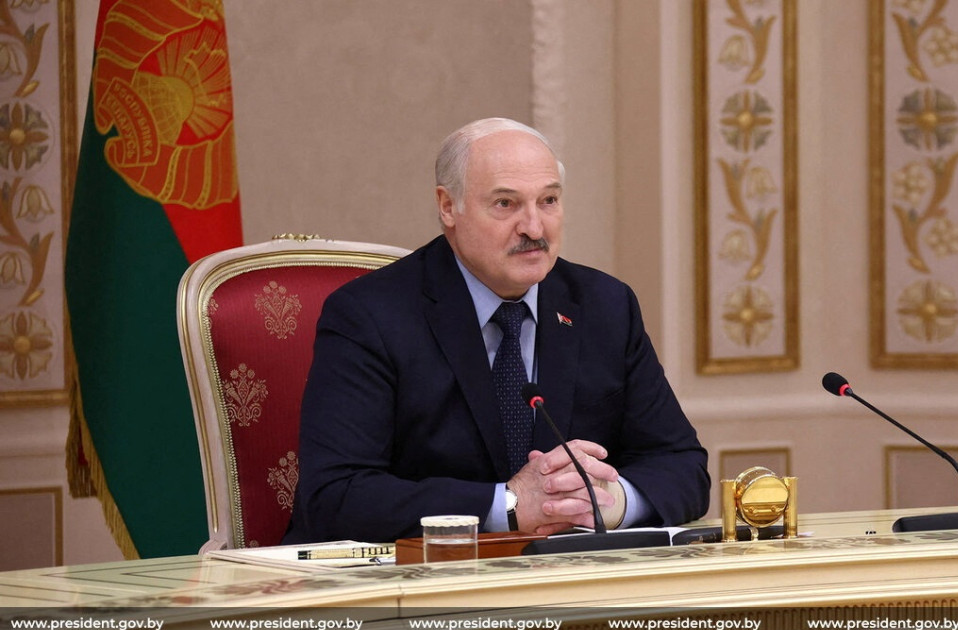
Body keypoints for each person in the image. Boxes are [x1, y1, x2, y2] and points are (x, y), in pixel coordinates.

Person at [283, 117, 709, 544]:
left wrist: (608, 503)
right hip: (421, 585)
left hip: (570, 581)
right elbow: (335, 496)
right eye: (506, 204)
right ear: (448, 207)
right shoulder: (370, 314)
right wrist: (505, 505)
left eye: (548, 201)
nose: (534, 228)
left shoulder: (604, 305)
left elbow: (682, 465)